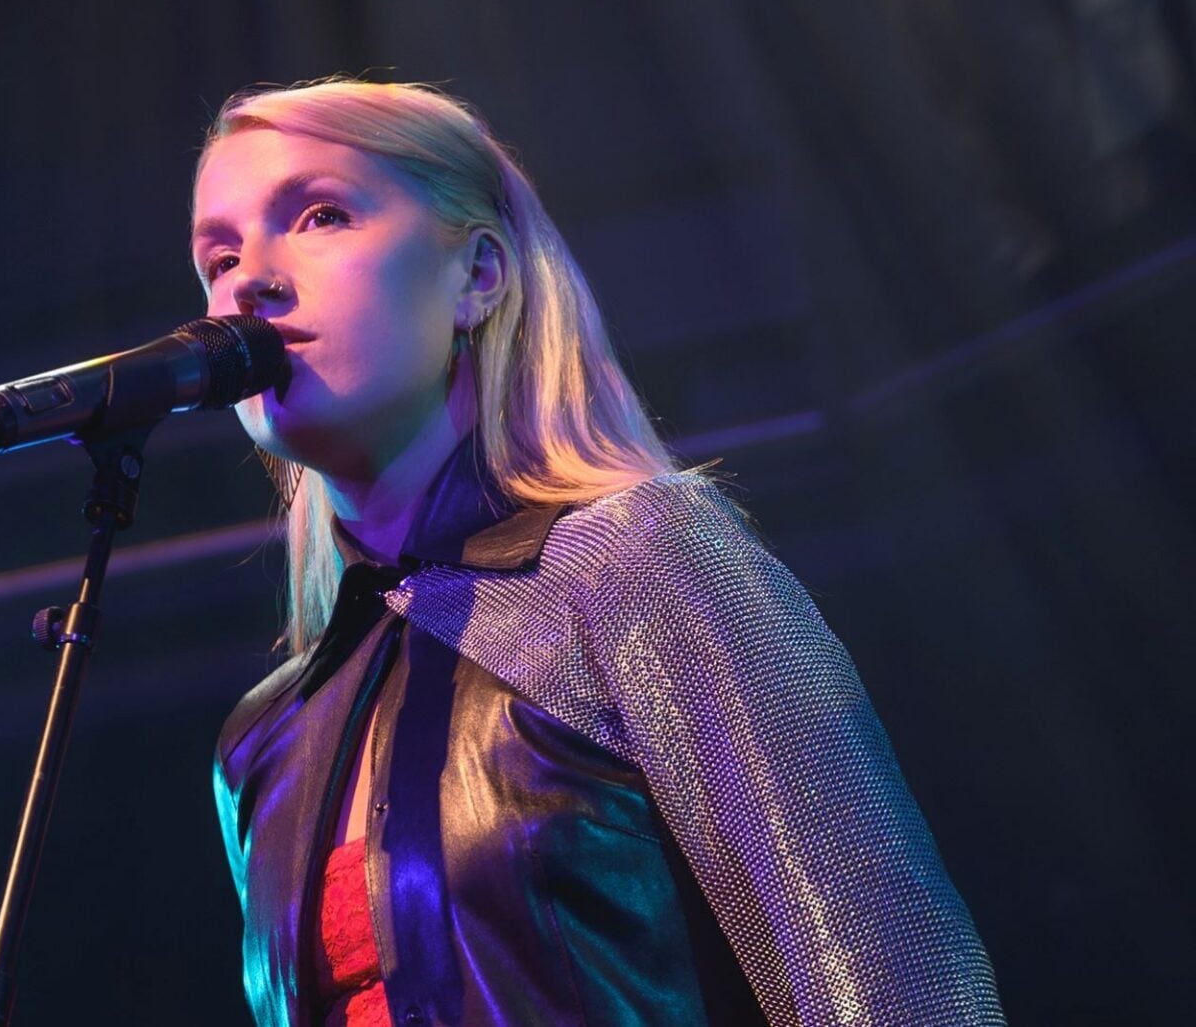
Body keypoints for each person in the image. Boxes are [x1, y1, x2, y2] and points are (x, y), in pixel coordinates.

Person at [194, 78, 1004, 1027]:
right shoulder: (267, 735)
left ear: (479, 275)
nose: (247, 279)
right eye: (218, 256)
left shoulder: (636, 559)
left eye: (322, 214)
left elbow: (889, 981)